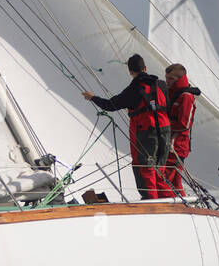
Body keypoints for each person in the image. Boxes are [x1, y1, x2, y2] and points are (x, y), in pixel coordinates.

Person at [82, 54, 171, 199]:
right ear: (145, 68)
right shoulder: (161, 84)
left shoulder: (134, 90)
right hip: (165, 131)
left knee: (145, 169)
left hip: (147, 133)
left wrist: (92, 97)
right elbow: (167, 105)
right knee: (160, 169)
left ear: (130, 71)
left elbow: (110, 105)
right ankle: (169, 201)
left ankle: (152, 203)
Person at [162, 63, 199, 197]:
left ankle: (178, 208)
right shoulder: (172, 94)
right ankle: (183, 208)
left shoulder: (186, 96)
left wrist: (163, 124)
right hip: (170, 145)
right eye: (166, 78)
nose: (167, 82)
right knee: (173, 181)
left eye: (170, 79)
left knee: (168, 180)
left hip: (177, 147)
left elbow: (184, 124)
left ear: (179, 79)